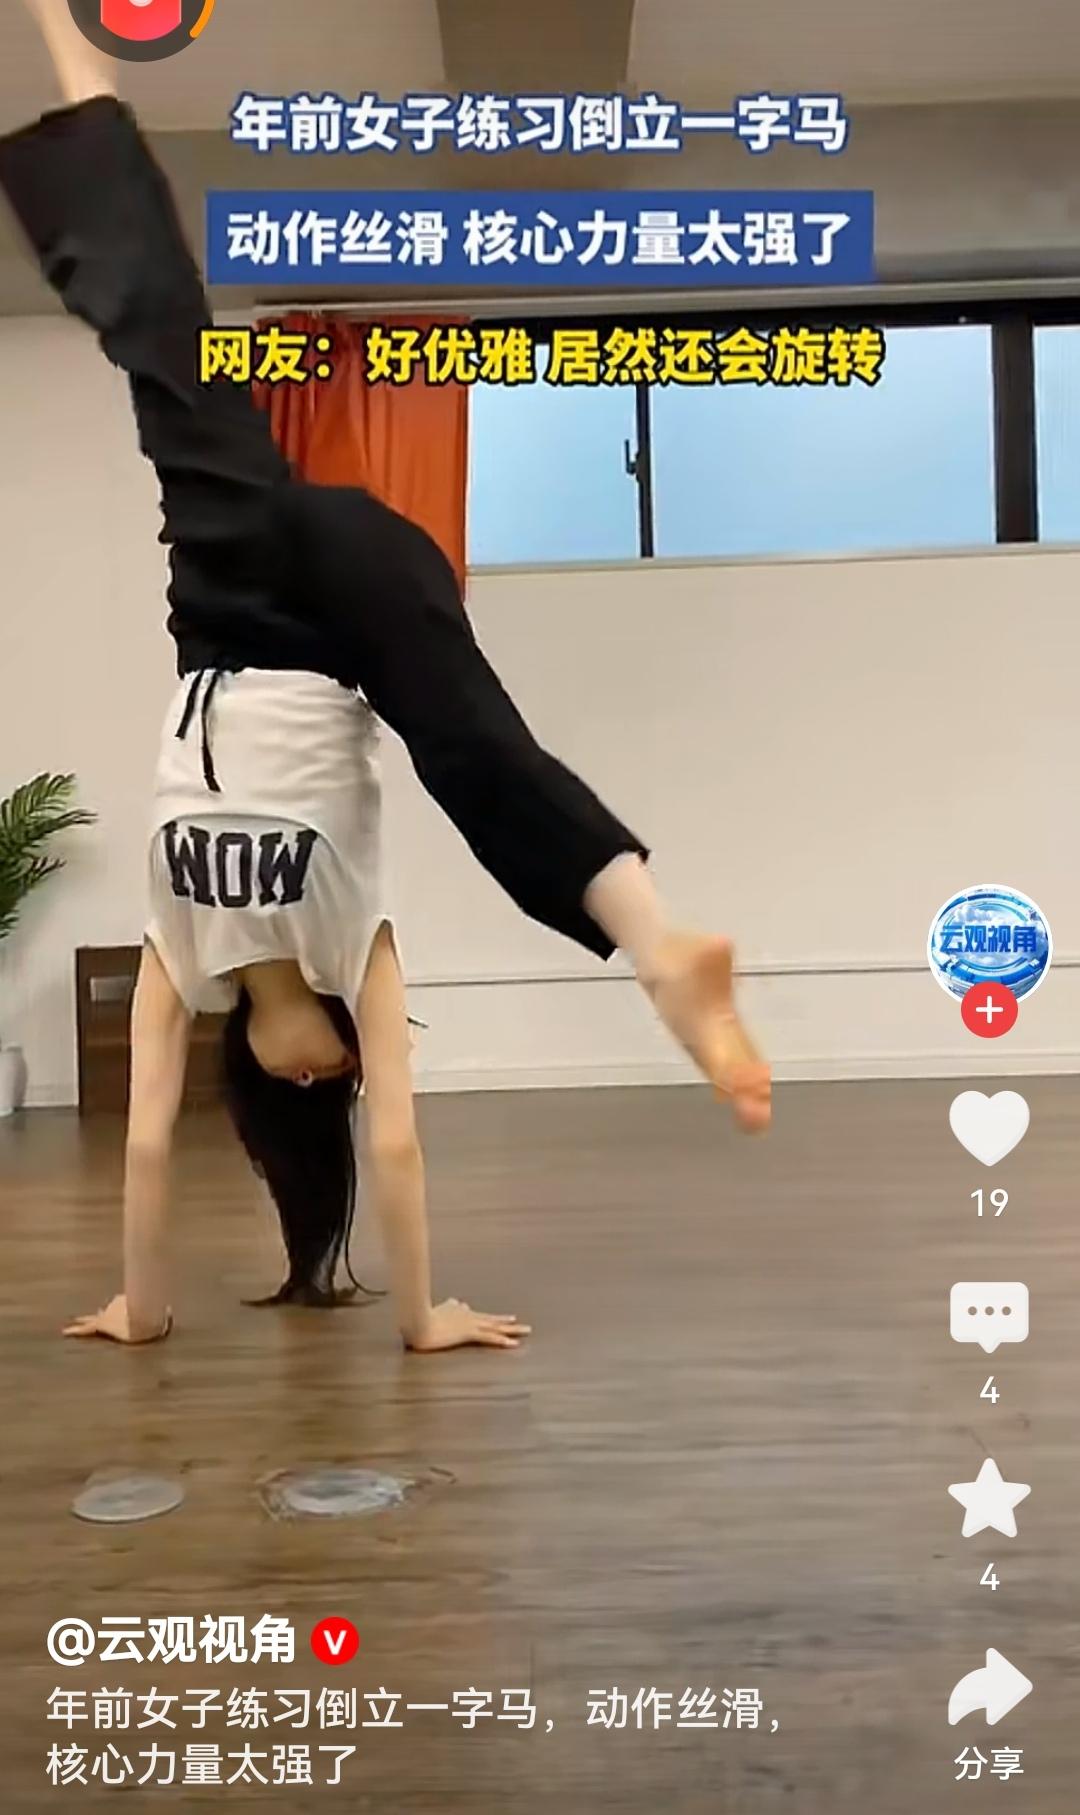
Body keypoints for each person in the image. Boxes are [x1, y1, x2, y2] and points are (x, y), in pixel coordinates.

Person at [2, 2, 771, 1345]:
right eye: (345, 1084)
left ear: (258, 1072)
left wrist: (141, 1304)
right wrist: (422, 1316)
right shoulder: (355, 955)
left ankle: (67, 49)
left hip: (233, 592)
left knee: (157, 338)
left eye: (307, 1088)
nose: (336, 1074)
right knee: (471, 748)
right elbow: (400, 1147)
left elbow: (145, 1146)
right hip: (353, 603)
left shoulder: (184, 961)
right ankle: (657, 947)